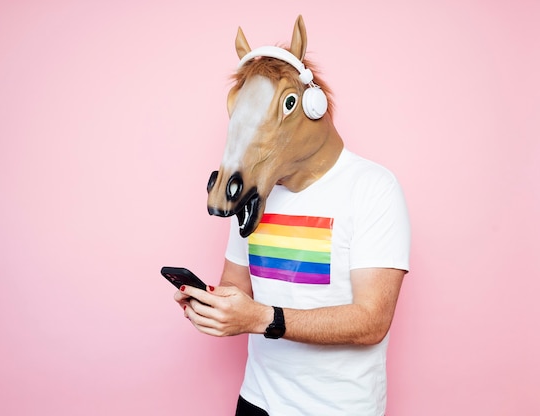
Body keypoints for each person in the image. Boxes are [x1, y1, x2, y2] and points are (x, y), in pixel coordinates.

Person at [174, 15, 410, 416]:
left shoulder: (373, 188)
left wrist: (262, 319)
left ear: (312, 106)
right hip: (257, 401)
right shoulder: (257, 193)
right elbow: (237, 287)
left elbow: (372, 321)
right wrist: (216, 306)